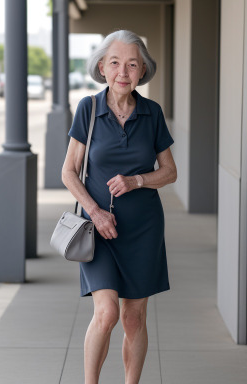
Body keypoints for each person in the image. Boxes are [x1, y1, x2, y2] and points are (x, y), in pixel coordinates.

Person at [61, 30, 177, 384]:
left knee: (133, 318)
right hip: (99, 231)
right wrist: (95, 212)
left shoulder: (152, 113)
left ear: (143, 71)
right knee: (107, 312)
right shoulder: (89, 108)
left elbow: (169, 172)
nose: (123, 72)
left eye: (132, 64)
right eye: (115, 63)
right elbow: (68, 172)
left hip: (143, 230)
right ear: (101, 67)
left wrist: (136, 180)